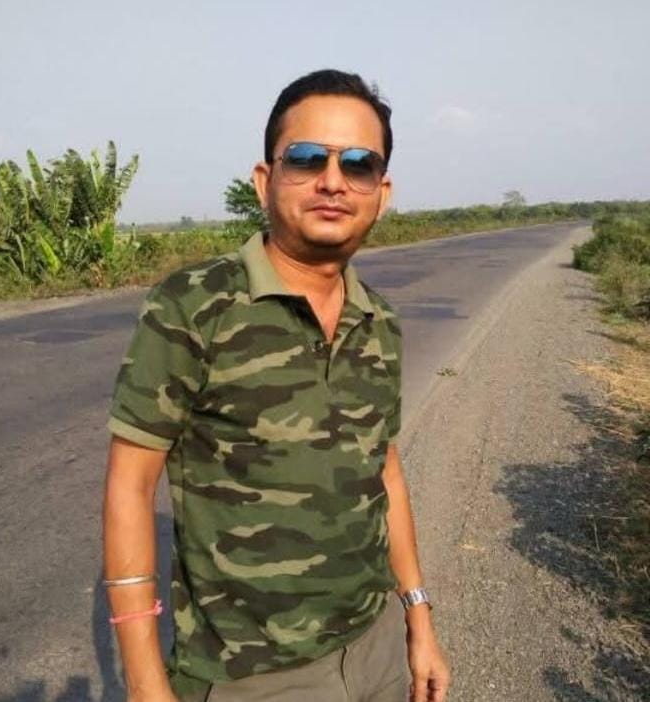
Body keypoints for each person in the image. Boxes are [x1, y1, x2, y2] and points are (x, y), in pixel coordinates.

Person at [102, 68, 451, 702]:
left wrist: (417, 618)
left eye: (359, 165)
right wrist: (145, 684)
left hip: (375, 650)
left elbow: (386, 472)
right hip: (249, 676)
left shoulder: (379, 321)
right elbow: (130, 484)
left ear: (382, 193)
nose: (333, 181)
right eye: (308, 158)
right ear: (265, 180)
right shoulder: (193, 306)